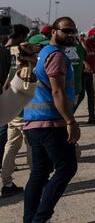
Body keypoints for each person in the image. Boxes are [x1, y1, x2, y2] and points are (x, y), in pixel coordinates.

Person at [23, 17, 81, 223]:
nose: (70, 34)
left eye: (73, 31)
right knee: (66, 168)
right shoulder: (55, 55)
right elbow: (57, 91)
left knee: (39, 173)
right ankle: (40, 218)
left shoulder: (43, 54)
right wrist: (71, 122)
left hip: (34, 122)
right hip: (50, 123)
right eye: (66, 30)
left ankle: (30, 219)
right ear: (54, 32)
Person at [1, 33, 44, 197]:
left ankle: (6, 182)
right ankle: (36, 181)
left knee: (10, 147)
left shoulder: (14, 67)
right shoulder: (29, 70)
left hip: (13, 115)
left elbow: (6, 87)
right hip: (26, 116)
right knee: (32, 149)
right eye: (35, 50)